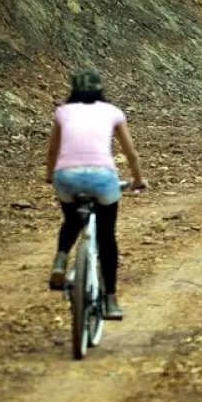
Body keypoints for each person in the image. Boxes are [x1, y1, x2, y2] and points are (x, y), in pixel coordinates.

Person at [45, 69, 147, 320]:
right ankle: (111, 301)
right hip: (102, 177)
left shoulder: (63, 112)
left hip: (66, 177)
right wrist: (138, 179)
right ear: (100, 89)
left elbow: (52, 152)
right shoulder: (112, 112)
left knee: (71, 220)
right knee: (106, 236)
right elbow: (131, 153)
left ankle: (60, 260)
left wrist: (50, 176)